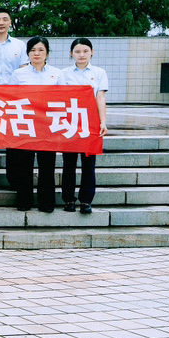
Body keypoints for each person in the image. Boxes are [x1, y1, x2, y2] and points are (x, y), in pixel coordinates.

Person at [11, 36, 63, 213]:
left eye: (41, 50)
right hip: (26, 123)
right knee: (24, 165)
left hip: (48, 125)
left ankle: (46, 202)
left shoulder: (57, 73)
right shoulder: (19, 74)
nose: (36, 53)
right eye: (32, 50)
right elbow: (11, 97)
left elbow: (63, 98)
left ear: (47, 53)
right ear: (27, 54)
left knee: (47, 165)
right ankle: (24, 200)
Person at [59, 37, 108, 214]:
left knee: (89, 163)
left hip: (90, 122)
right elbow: (59, 98)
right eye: (77, 51)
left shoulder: (99, 72)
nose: (81, 55)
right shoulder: (63, 74)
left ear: (92, 52)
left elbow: (100, 98)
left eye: (85, 51)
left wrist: (103, 122)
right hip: (70, 122)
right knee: (69, 163)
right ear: (71, 53)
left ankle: (86, 200)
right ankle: (69, 199)